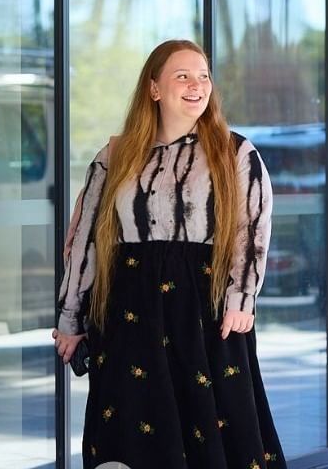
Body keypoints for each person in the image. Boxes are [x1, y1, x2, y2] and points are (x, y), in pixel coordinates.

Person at [53, 39, 286, 468]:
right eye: (183, 76)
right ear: (154, 88)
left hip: (204, 312)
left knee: (211, 432)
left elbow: (251, 229)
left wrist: (242, 298)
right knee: (130, 435)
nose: (197, 85)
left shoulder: (236, 152)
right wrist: (70, 318)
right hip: (128, 312)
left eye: (203, 77)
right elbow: (86, 239)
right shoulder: (115, 156)